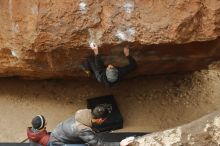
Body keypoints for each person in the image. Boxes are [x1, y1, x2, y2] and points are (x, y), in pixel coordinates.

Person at [49, 105, 132, 146]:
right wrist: (119, 144)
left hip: (58, 132)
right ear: (100, 120)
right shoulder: (83, 130)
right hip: (58, 142)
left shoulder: (84, 112)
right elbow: (98, 144)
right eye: (105, 119)